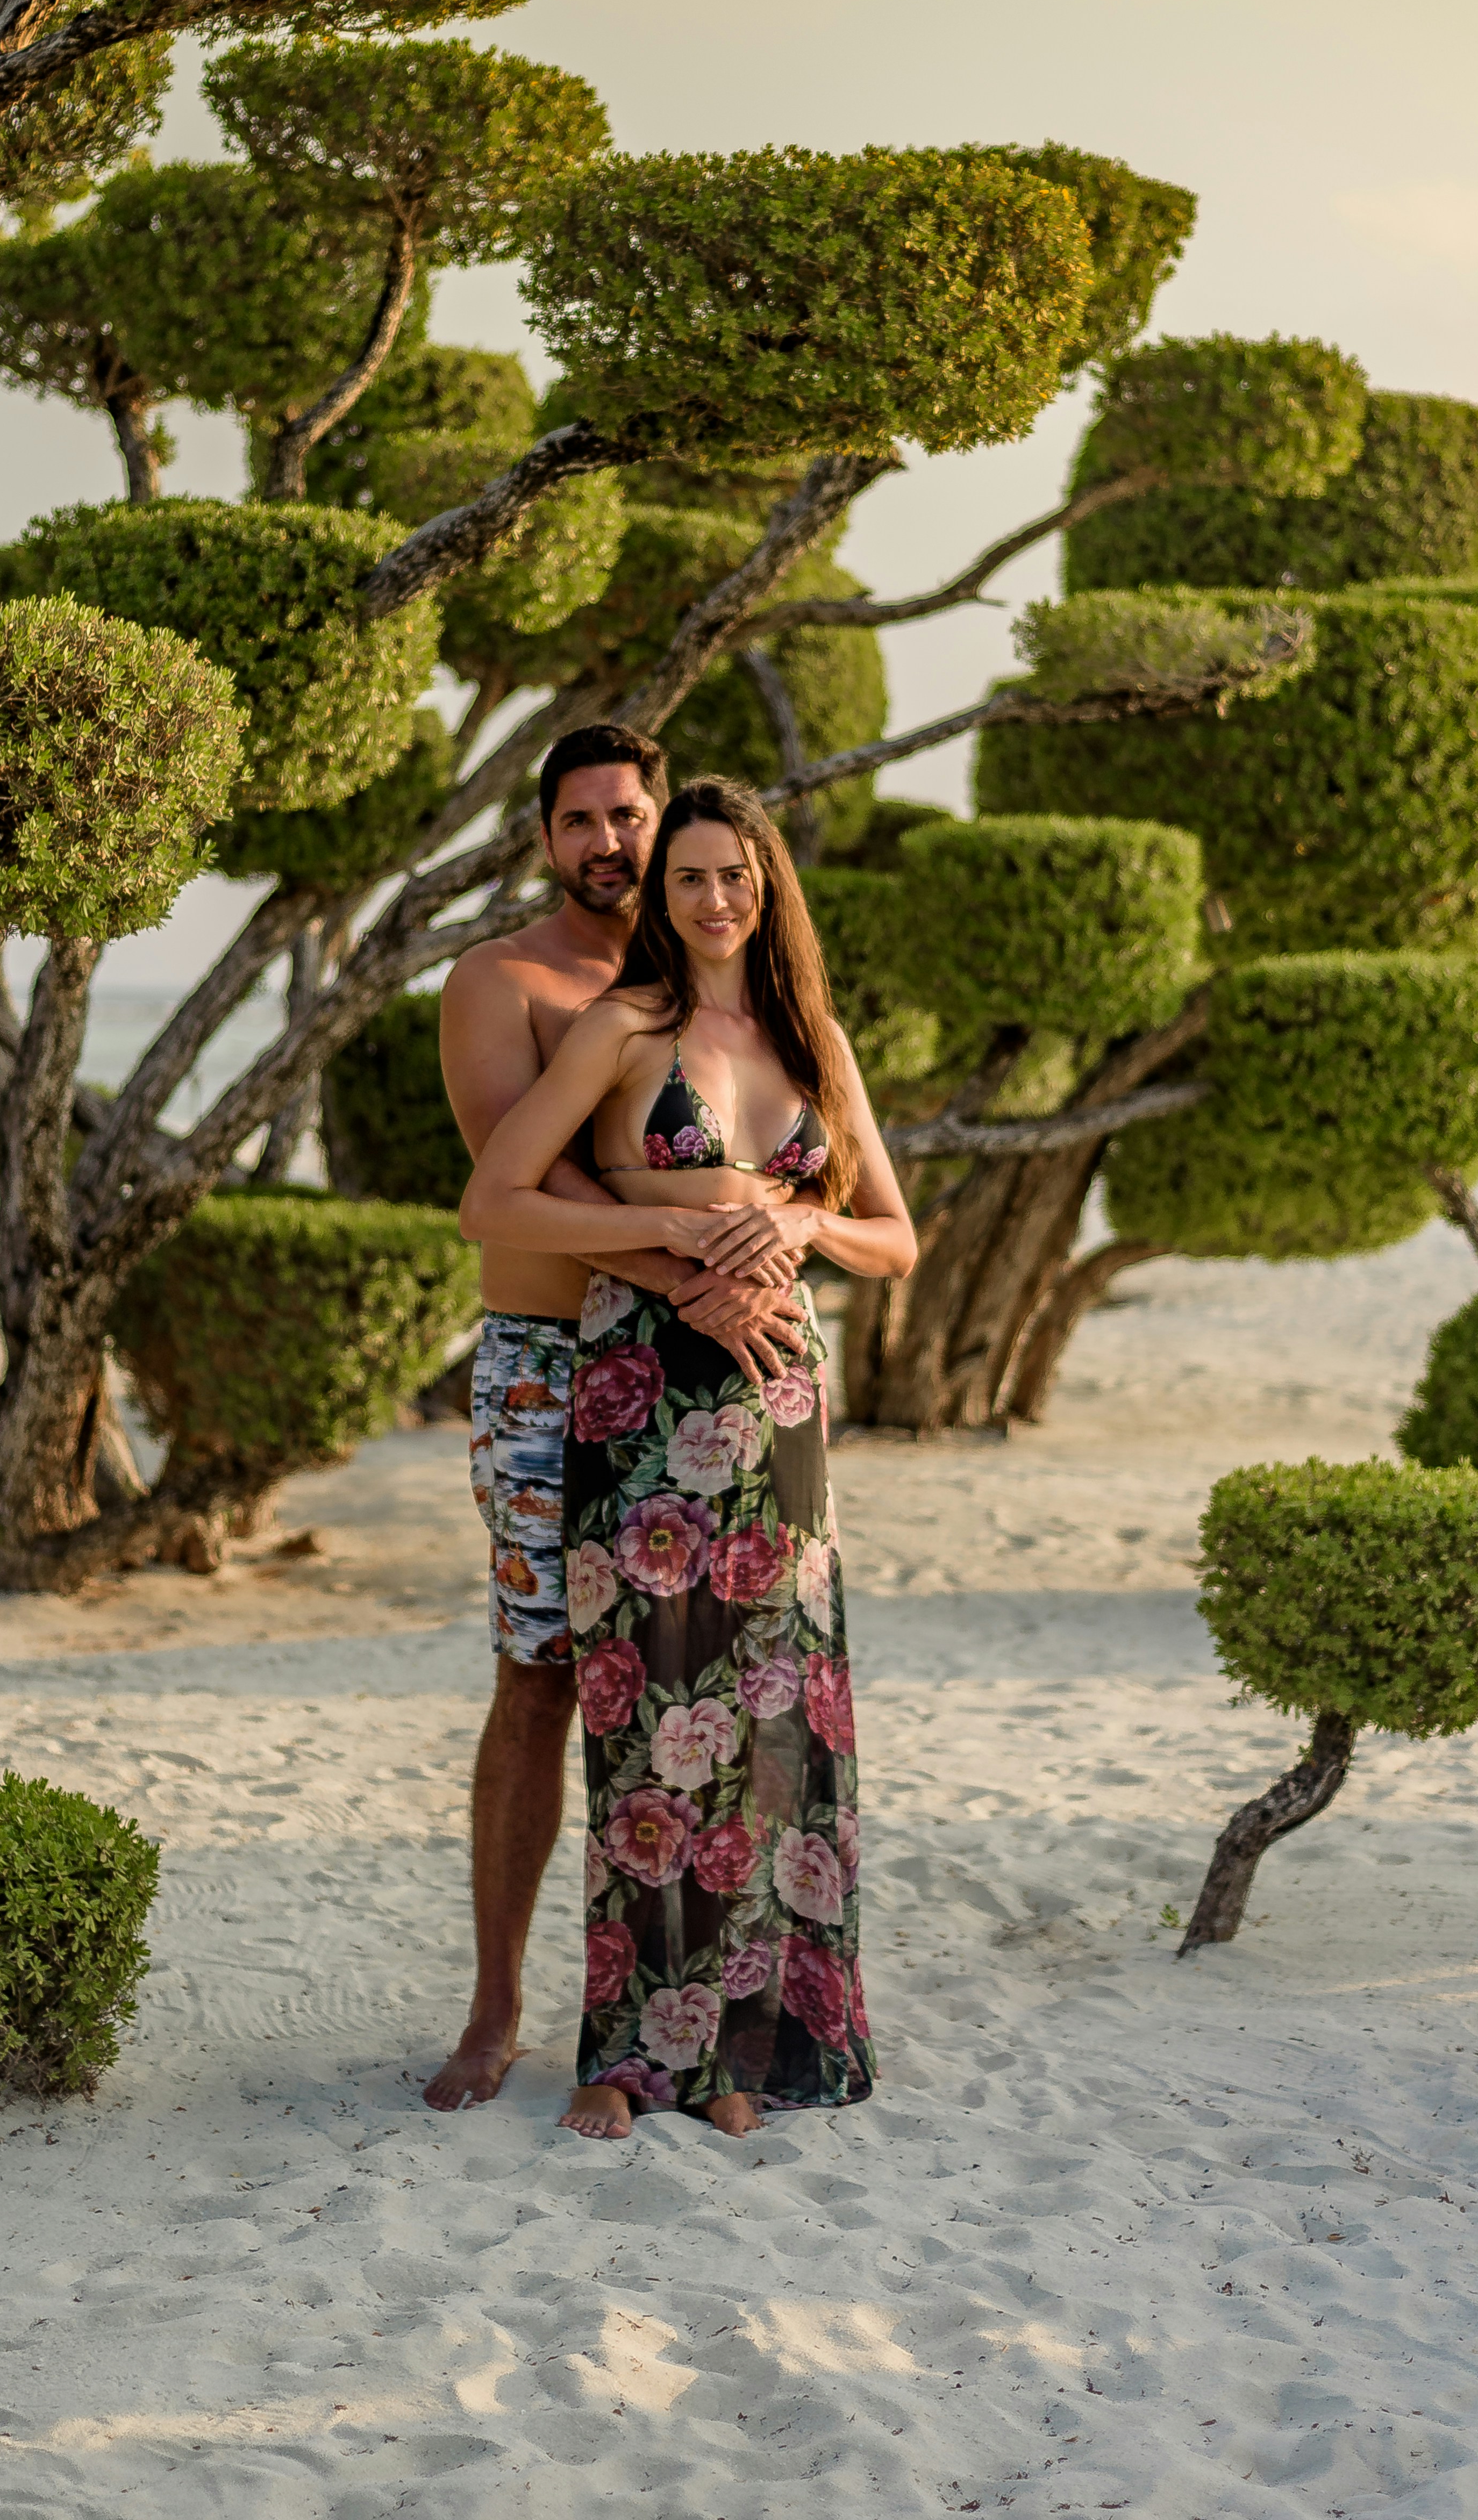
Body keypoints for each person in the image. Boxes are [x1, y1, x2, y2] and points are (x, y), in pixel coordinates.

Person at [461, 775, 918, 2139]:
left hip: (777, 1403)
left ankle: (739, 2050)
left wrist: (795, 1227)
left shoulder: (814, 1038)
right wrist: (676, 1240)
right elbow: (497, 1194)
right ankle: (622, 2053)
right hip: (641, 1391)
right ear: (663, 902)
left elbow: (893, 1235)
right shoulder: (620, 1028)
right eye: (689, 879)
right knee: (644, 1712)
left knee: (769, 1718)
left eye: (733, 875)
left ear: (768, 885)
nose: (712, 897)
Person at [424, 726, 809, 2113]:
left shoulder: (702, 992)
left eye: (628, 814)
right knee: (537, 1677)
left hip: (697, 1380)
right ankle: (494, 2010)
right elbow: (511, 1172)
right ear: (543, 838)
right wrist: (684, 1274)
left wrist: (733, 1272)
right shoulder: (501, 980)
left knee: (696, 1692)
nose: (609, 841)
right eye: (580, 819)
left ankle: (690, 2022)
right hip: (543, 1363)